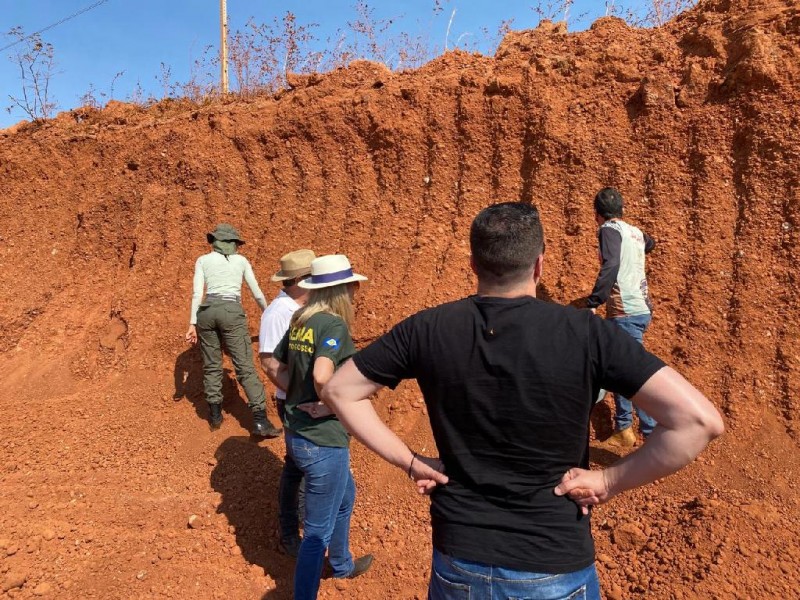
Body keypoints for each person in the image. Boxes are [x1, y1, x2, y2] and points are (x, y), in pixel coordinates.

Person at [322, 202, 724, 600]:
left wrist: (410, 462)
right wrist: (607, 480)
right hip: (552, 562)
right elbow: (698, 422)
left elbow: (340, 390)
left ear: (474, 264)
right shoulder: (585, 334)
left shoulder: (426, 329)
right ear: (539, 264)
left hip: (460, 560)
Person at [265, 254, 374, 600]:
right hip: (323, 442)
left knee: (346, 498)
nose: (356, 292)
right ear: (340, 290)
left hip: (299, 433)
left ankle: (341, 564)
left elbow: (273, 364)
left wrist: (299, 395)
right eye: (352, 286)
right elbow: (322, 375)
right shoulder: (333, 326)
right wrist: (330, 404)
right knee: (316, 534)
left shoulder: (302, 320)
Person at [184, 223, 280, 438]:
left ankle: (215, 418)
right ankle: (260, 422)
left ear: (215, 241)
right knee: (245, 366)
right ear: (233, 243)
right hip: (231, 310)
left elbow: (197, 293)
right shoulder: (241, 261)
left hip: (206, 311)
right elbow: (256, 292)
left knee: (212, 365)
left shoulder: (203, 260)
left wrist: (192, 323)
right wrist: (267, 313)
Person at [586, 187, 657, 446]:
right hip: (640, 307)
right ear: (621, 210)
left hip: (625, 309)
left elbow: (611, 264)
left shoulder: (608, 230)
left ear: (597, 214)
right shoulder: (634, 232)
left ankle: (652, 433)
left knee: (632, 374)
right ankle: (624, 427)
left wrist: (594, 300)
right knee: (620, 368)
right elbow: (651, 243)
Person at [258, 249, 316, 558]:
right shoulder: (278, 312)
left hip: (305, 400)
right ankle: (297, 532)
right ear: (301, 280)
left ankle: (295, 529)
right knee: (302, 467)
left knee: (298, 466)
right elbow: (269, 364)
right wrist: (300, 395)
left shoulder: (300, 307)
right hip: (295, 403)